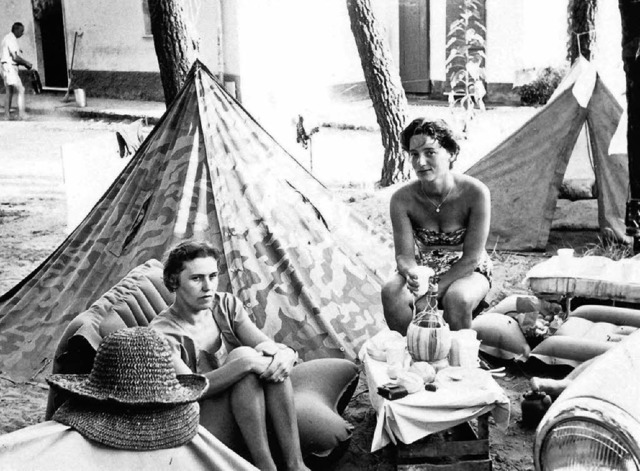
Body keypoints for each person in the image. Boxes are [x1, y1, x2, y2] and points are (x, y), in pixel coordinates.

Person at [150, 240, 310, 471]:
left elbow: (266, 346)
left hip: (248, 406)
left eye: (213, 276)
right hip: (200, 422)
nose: (208, 287)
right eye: (197, 279)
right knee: (243, 357)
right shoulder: (162, 333)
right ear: (175, 281)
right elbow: (189, 390)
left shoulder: (225, 304)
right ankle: (266, 466)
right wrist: (244, 363)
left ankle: (296, 465)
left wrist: (285, 353)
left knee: (260, 358)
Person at [381, 118, 492, 334]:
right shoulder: (401, 199)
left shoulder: (476, 193)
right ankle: (413, 353)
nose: (420, 162)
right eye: (414, 155)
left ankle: (459, 362)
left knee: (457, 298)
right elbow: (404, 256)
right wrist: (413, 274)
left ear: (450, 153)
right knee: (391, 292)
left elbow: (472, 258)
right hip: (424, 267)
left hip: (468, 266)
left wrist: (433, 292)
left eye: (430, 152)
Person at [1, 22, 32, 120]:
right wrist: (26, 63)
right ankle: (22, 114)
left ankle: (6, 115)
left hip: (5, 67)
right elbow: (15, 57)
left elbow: (13, 53)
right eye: (21, 31)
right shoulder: (11, 39)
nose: (22, 33)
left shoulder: (7, 38)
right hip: (10, 67)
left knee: (9, 91)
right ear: (16, 30)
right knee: (21, 89)